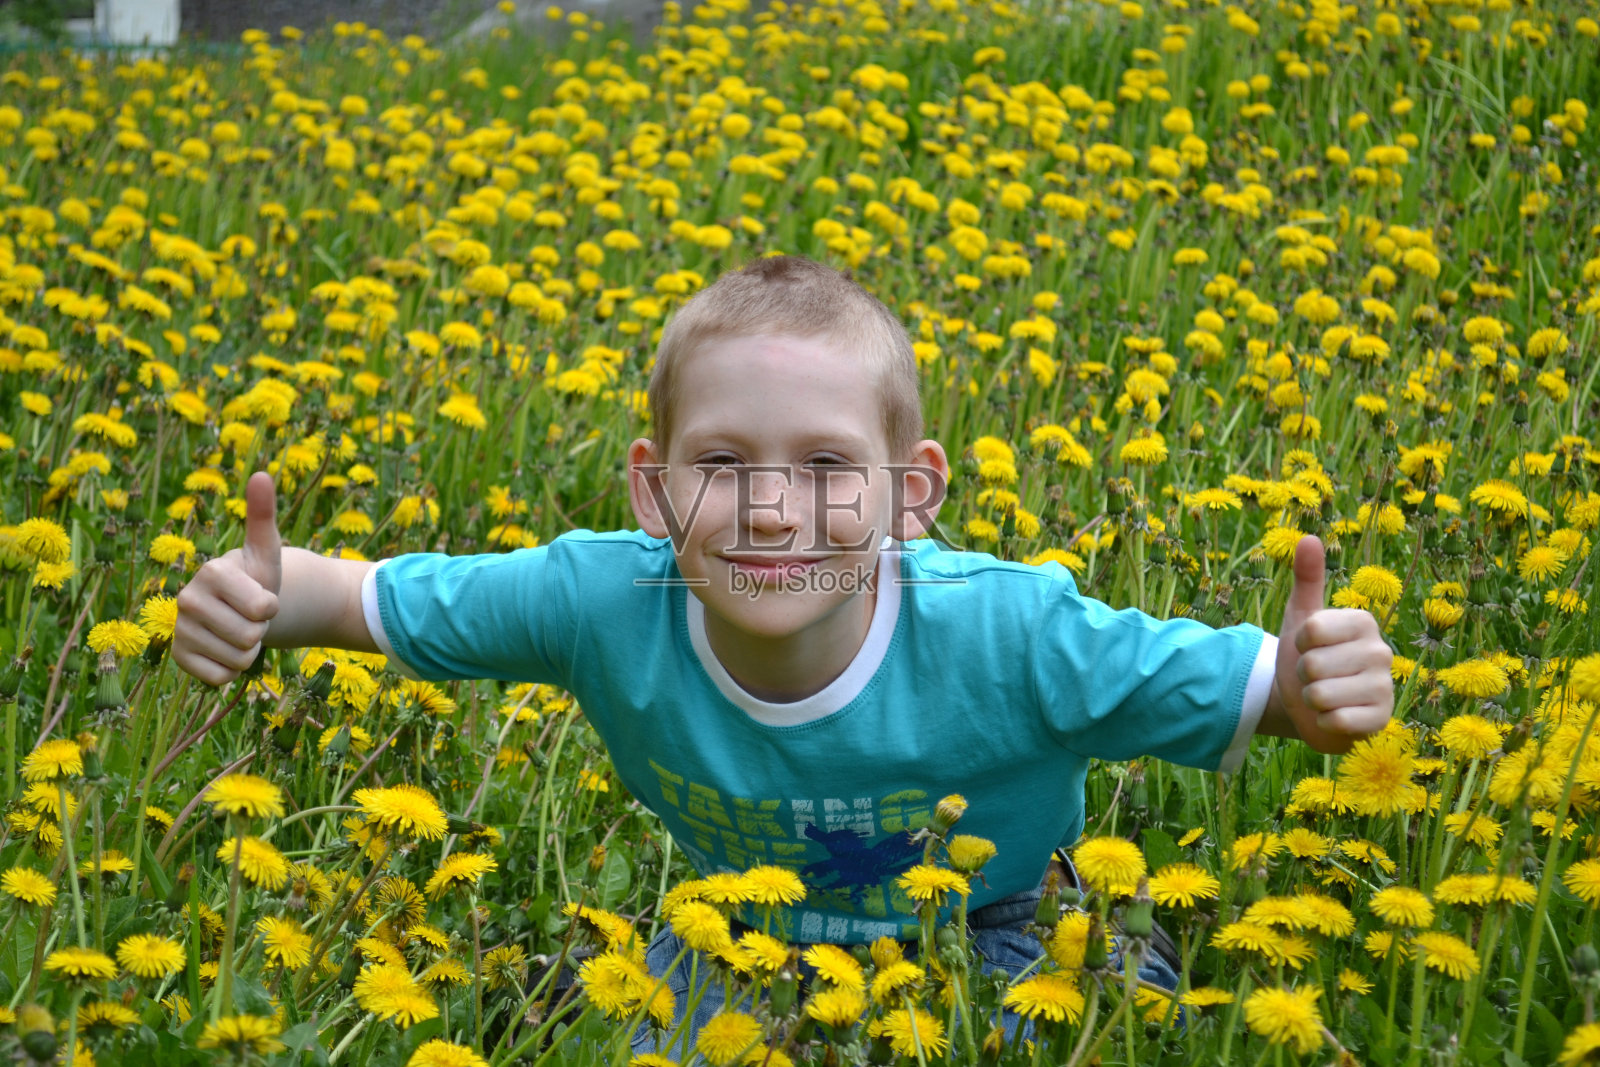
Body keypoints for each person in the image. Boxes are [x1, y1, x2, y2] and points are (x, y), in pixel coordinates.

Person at [173, 255, 1395, 1048]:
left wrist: (1312, 686)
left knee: (1100, 1036)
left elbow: (1268, 692)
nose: (769, 510)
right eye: (721, 462)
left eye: (823, 464)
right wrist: (265, 597)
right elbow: (358, 597)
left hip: (1001, 922)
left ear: (910, 493)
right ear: (652, 490)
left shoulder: (1012, 629)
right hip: (738, 933)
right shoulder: (598, 596)